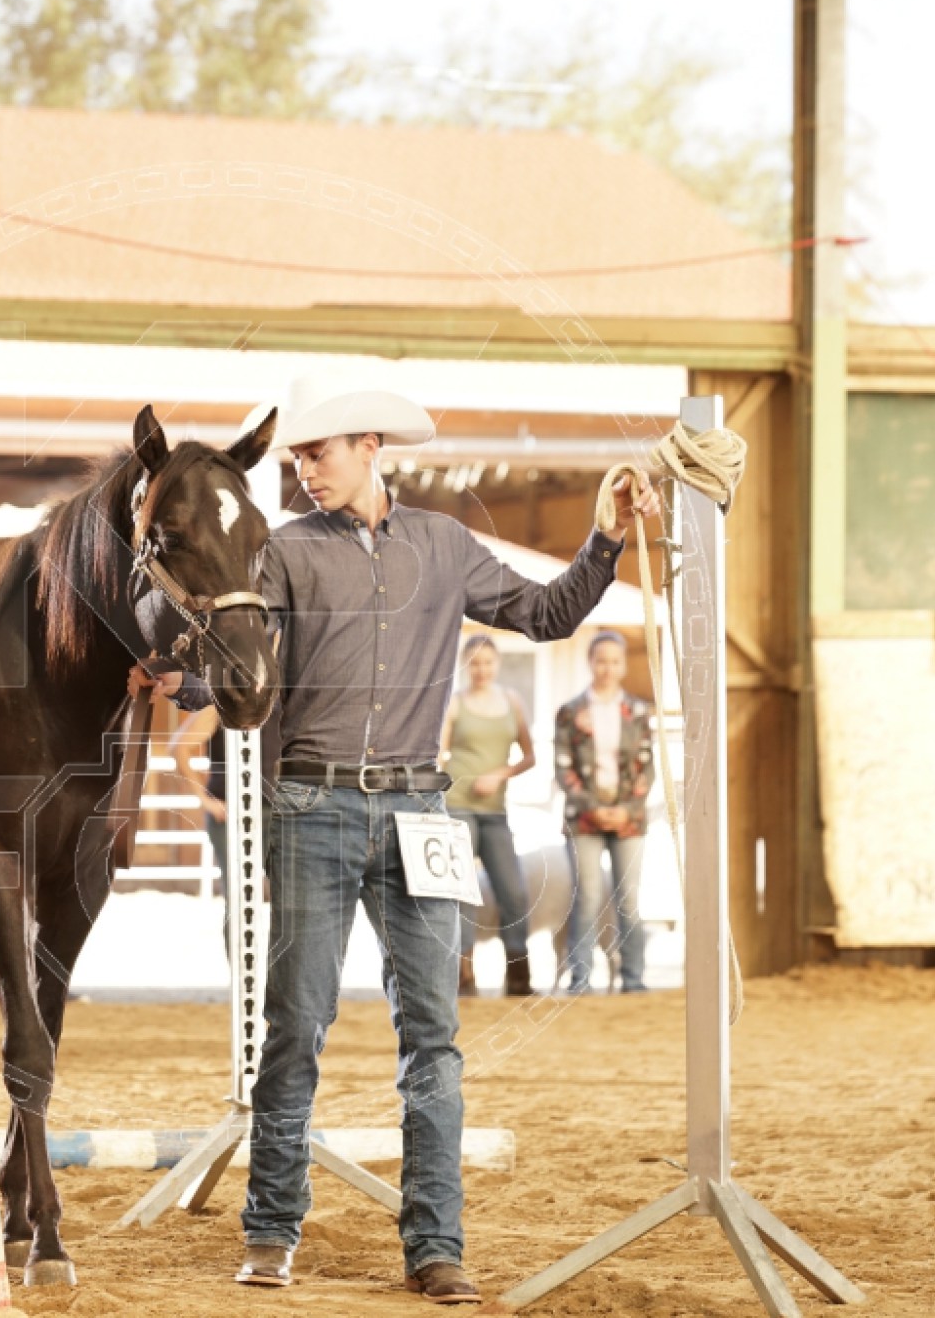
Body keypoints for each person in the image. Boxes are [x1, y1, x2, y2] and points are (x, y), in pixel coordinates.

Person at [139, 386, 658, 1304]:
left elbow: (547, 614)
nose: (306, 470)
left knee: (434, 1039)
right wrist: (177, 676)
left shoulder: (447, 546)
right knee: (295, 1025)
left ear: (370, 445)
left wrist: (606, 537)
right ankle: (270, 1230)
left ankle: (435, 1245)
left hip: (422, 808)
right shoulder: (282, 550)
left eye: (320, 453)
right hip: (310, 803)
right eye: (298, 458)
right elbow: (237, 660)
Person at [554, 630, 656, 995]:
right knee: (588, 895)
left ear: (623, 665)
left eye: (615, 661)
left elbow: (647, 767)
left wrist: (625, 810)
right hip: (584, 819)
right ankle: (580, 980)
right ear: (590, 663)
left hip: (630, 819)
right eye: (601, 661)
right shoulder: (569, 712)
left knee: (629, 897)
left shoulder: (639, 712)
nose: (607, 668)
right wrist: (594, 808)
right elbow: (563, 768)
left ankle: (634, 978)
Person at [439, 635, 536, 998]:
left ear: (498, 664)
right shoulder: (455, 703)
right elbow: (439, 754)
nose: (481, 670)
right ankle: (464, 976)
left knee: (513, 891)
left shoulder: (513, 702)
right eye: (474, 663)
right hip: (458, 806)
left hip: (495, 810)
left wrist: (499, 775)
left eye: (488, 662)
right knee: (463, 892)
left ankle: (519, 977)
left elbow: (529, 757)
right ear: (466, 665)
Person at [169, 703, 229, 894]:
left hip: (277, 810)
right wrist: (205, 800)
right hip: (227, 813)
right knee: (236, 892)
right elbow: (178, 747)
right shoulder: (219, 706)